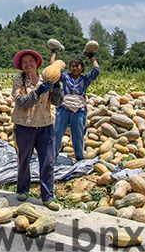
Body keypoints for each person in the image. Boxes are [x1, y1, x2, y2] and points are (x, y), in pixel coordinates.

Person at [11, 49, 63, 211]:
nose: (28, 65)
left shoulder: (47, 78)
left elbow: (57, 102)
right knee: (24, 159)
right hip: (24, 126)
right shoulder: (19, 80)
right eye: (25, 62)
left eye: (31, 61)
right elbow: (23, 102)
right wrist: (39, 90)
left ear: (37, 63)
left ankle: (48, 196)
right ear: (21, 65)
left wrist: (57, 88)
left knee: (48, 161)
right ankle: (23, 190)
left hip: (45, 125)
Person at [51, 49, 100, 161]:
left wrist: (91, 56)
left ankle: (79, 157)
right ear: (69, 68)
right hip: (64, 108)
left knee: (78, 134)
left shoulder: (85, 79)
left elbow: (96, 70)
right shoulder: (65, 77)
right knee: (57, 132)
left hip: (79, 110)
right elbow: (53, 68)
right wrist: (54, 52)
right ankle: (53, 156)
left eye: (78, 66)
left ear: (82, 68)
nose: (75, 68)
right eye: (73, 66)